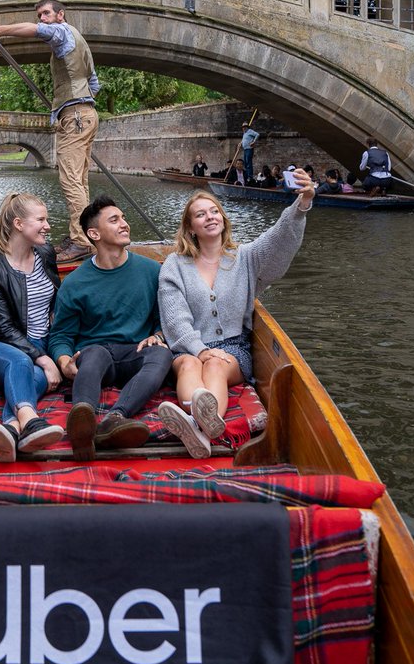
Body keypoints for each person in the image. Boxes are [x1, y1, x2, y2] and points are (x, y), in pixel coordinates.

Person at [156, 170, 315, 457]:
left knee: (216, 366)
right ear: (191, 227)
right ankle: (200, 429)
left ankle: (197, 424)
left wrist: (301, 205)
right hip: (188, 347)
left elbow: (278, 239)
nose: (210, 217)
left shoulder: (245, 257)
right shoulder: (174, 265)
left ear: (223, 219)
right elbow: (175, 318)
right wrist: (200, 350)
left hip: (232, 347)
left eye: (215, 211)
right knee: (190, 365)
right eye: (201, 214)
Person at [48, 195, 173, 460]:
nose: (124, 224)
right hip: (97, 353)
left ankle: (115, 419)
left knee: (162, 353)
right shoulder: (75, 282)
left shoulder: (152, 271)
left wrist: (158, 335)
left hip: (136, 352)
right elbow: (61, 334)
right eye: (114, 220)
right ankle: (82, 420)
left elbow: (165, 318)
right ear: (94, 233)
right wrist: (63, 359)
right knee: (92, 355)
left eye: (123, 218)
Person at [0, 0, 101, 262]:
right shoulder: (79, 41)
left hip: (76, 116)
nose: (43, 19)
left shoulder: (60, 31)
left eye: (46, 13)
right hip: (85, 114)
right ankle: (81, 235)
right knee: (80, 181)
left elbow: (35, 30)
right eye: (40, 15)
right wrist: (79, 100)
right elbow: (94, 82)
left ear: (60, 14)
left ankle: (81, 241)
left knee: (70, 180)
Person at [0, 193, 65, 462]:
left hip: (37, 345)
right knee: (23, 363)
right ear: (19, 224)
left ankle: (11, 430)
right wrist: (44, 359)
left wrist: (55, 348)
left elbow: (56, 302)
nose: (48, 225)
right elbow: (2, 328)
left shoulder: (45, 254)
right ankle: (32, 422)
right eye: (41, 220)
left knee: (37, 377)